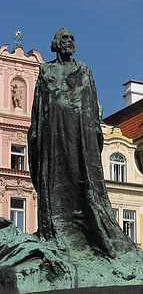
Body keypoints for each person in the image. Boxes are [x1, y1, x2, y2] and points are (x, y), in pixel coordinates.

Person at [28, 28, 134, 258]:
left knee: (83, 179)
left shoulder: (84, 70)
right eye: (65, 39)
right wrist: (36, 134)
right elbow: (38, 109)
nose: (69, 42)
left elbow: (92, 104)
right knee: (56, 178)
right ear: (56, 43)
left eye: (72, 39)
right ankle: (57, 230)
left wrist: (94, 130)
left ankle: (89, 234)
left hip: (80, 134)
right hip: (54, 133)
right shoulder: (45, 71)